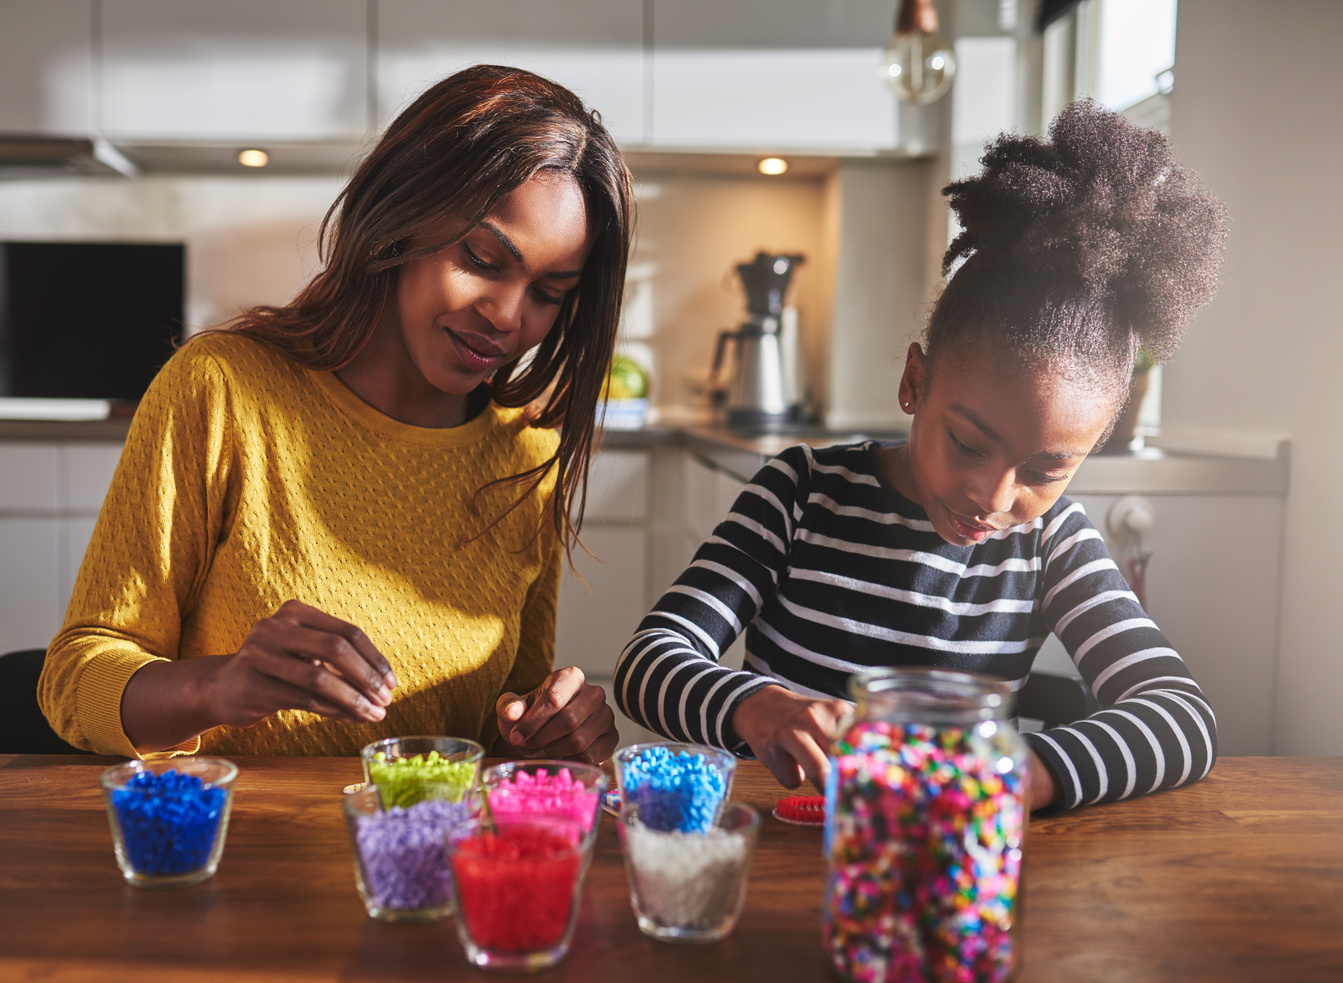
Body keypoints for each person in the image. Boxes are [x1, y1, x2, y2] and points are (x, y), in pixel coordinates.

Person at [614, 100, 1229, 812]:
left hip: (942, 871)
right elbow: (648, 661)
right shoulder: (800, 491)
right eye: (967, 443)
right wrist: (761, 708)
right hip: (780, 857)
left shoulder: (1050, 542)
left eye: (1044, 469)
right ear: (914, 381)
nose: (993, 497)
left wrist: (1026, 769)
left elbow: (1181, 716)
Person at [39, 65, 632, 763]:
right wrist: (217, 685)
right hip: (233, 855)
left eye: (549, 292)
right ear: (400, 213)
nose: (506, 315)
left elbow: (505, 735)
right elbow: (74, 679)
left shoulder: (527, 450)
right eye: (481, 258)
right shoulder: (224, 389)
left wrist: (547, 733)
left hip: (422, 864)